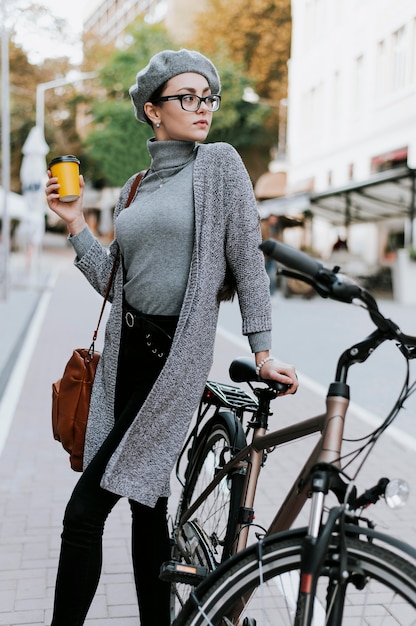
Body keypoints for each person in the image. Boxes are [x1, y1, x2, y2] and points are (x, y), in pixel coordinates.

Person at [45, 48, 298, 626]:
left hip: (171, 363)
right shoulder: (133, 188)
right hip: (123, 358)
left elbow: (247, 259)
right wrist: (75, 223)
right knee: (146, 506)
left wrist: (261, 349)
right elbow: (116, 280)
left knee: (83, 513)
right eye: (187, 97)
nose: (202, 107)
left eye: (207, 96)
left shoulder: (219, 166)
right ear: (153, 110)